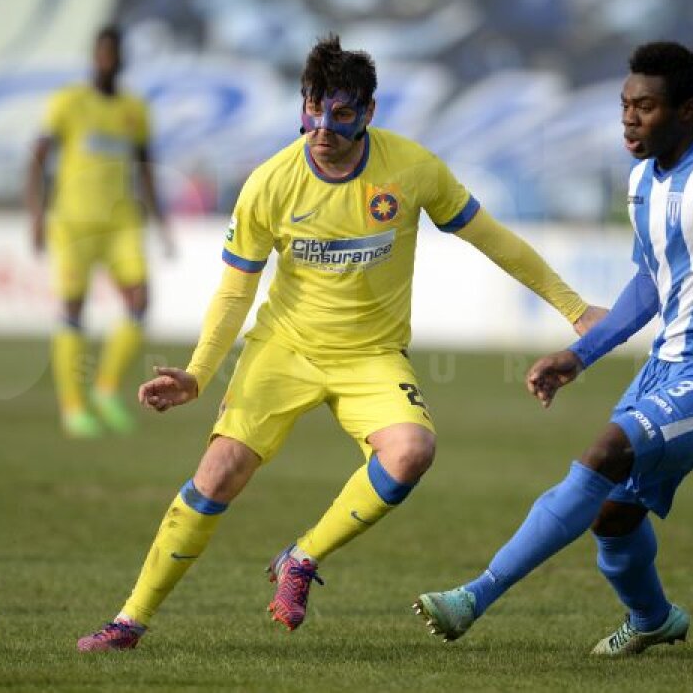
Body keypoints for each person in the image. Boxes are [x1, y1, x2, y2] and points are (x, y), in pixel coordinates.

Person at [76, 35, 605, 652]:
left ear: (369, 112)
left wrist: (574, 308)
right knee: (218, 473)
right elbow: (234, 293)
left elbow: (493, 239)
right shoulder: (269, 183)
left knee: (411, 451)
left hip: (371, 356)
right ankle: (129, 622)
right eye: (314, 107)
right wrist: (198, 372)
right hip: (283, 348)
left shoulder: (412, 169)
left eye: (342, 111)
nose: (324, 126)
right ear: (302, 104)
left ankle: (301, 558)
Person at [414, 41, 693, 655]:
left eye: (644, 106)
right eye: (624, 105)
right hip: (665, 369)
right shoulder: (642, 179)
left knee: (606, 451)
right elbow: (650, 282)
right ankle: (653, 620)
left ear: (687, 108)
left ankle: (473, 597)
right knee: (612, 518)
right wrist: (578, 354)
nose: (628, 119)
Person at [26, 26, 174, 438]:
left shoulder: (134, 109)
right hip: (73, 222)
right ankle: (74, 409)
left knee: (140, 301)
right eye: (101, 52)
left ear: (121, 58)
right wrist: (36, 214)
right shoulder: (69, 103)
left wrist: (162, 224)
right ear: (93, 56)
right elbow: (38, 158)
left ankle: (106, 389)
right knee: (73, 310)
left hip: (121, 221)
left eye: (114, 53)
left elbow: (146, 167)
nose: (107, 59)